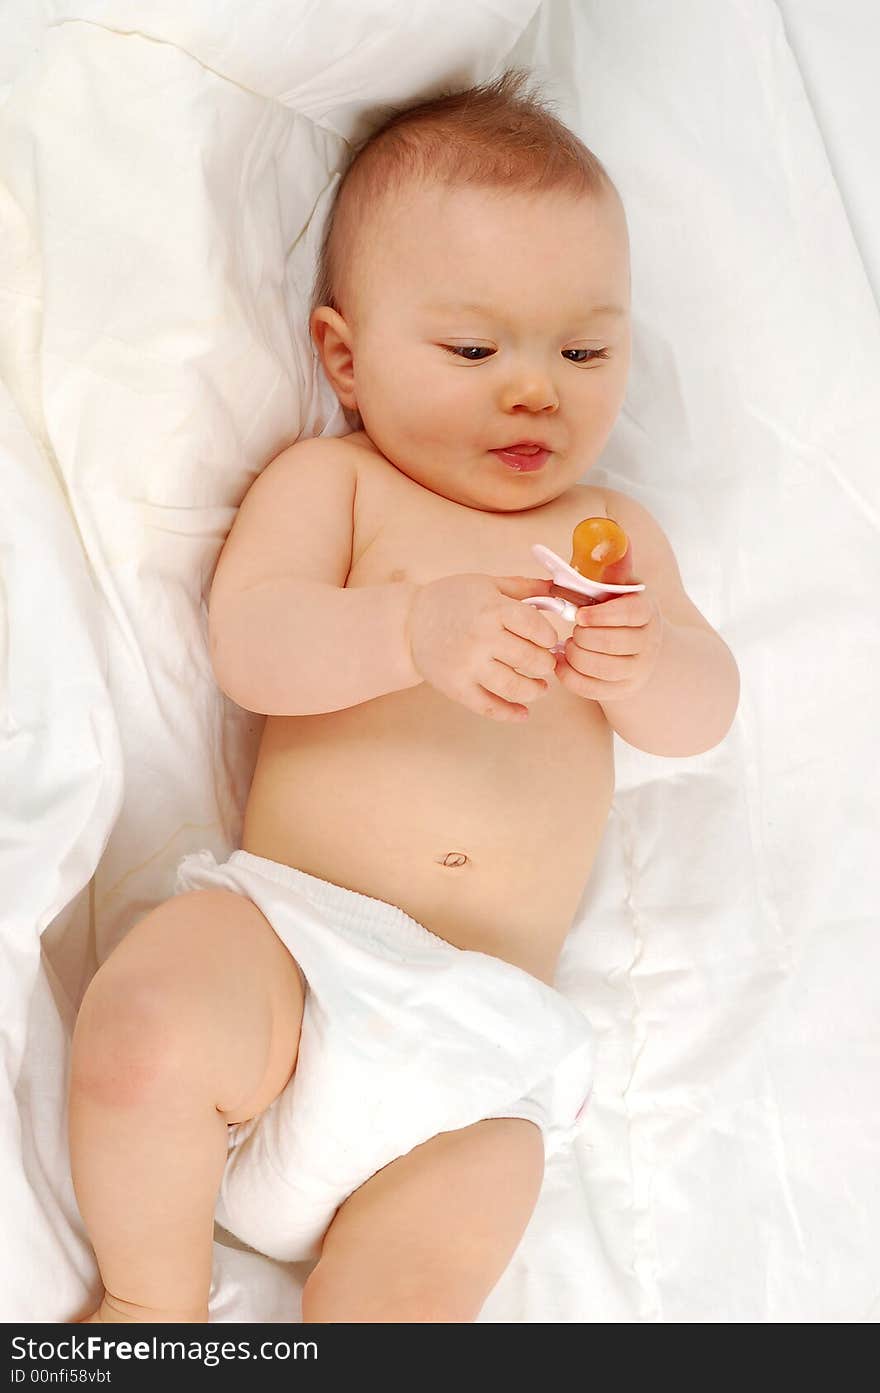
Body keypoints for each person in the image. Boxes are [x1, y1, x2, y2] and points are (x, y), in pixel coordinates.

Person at [68, 68, 739, 1325]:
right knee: (145, 1026)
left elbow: (701, 712)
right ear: (346, 356)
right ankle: (149, 1310)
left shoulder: (611, 534)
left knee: (435, 1263)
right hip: (291, 946)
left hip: (481, 1043)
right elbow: (252, 648)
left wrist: (649, 663)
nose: (535, 386)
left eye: (584, 348)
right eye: (474, 348)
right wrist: (406, 628)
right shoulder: (339, 484)